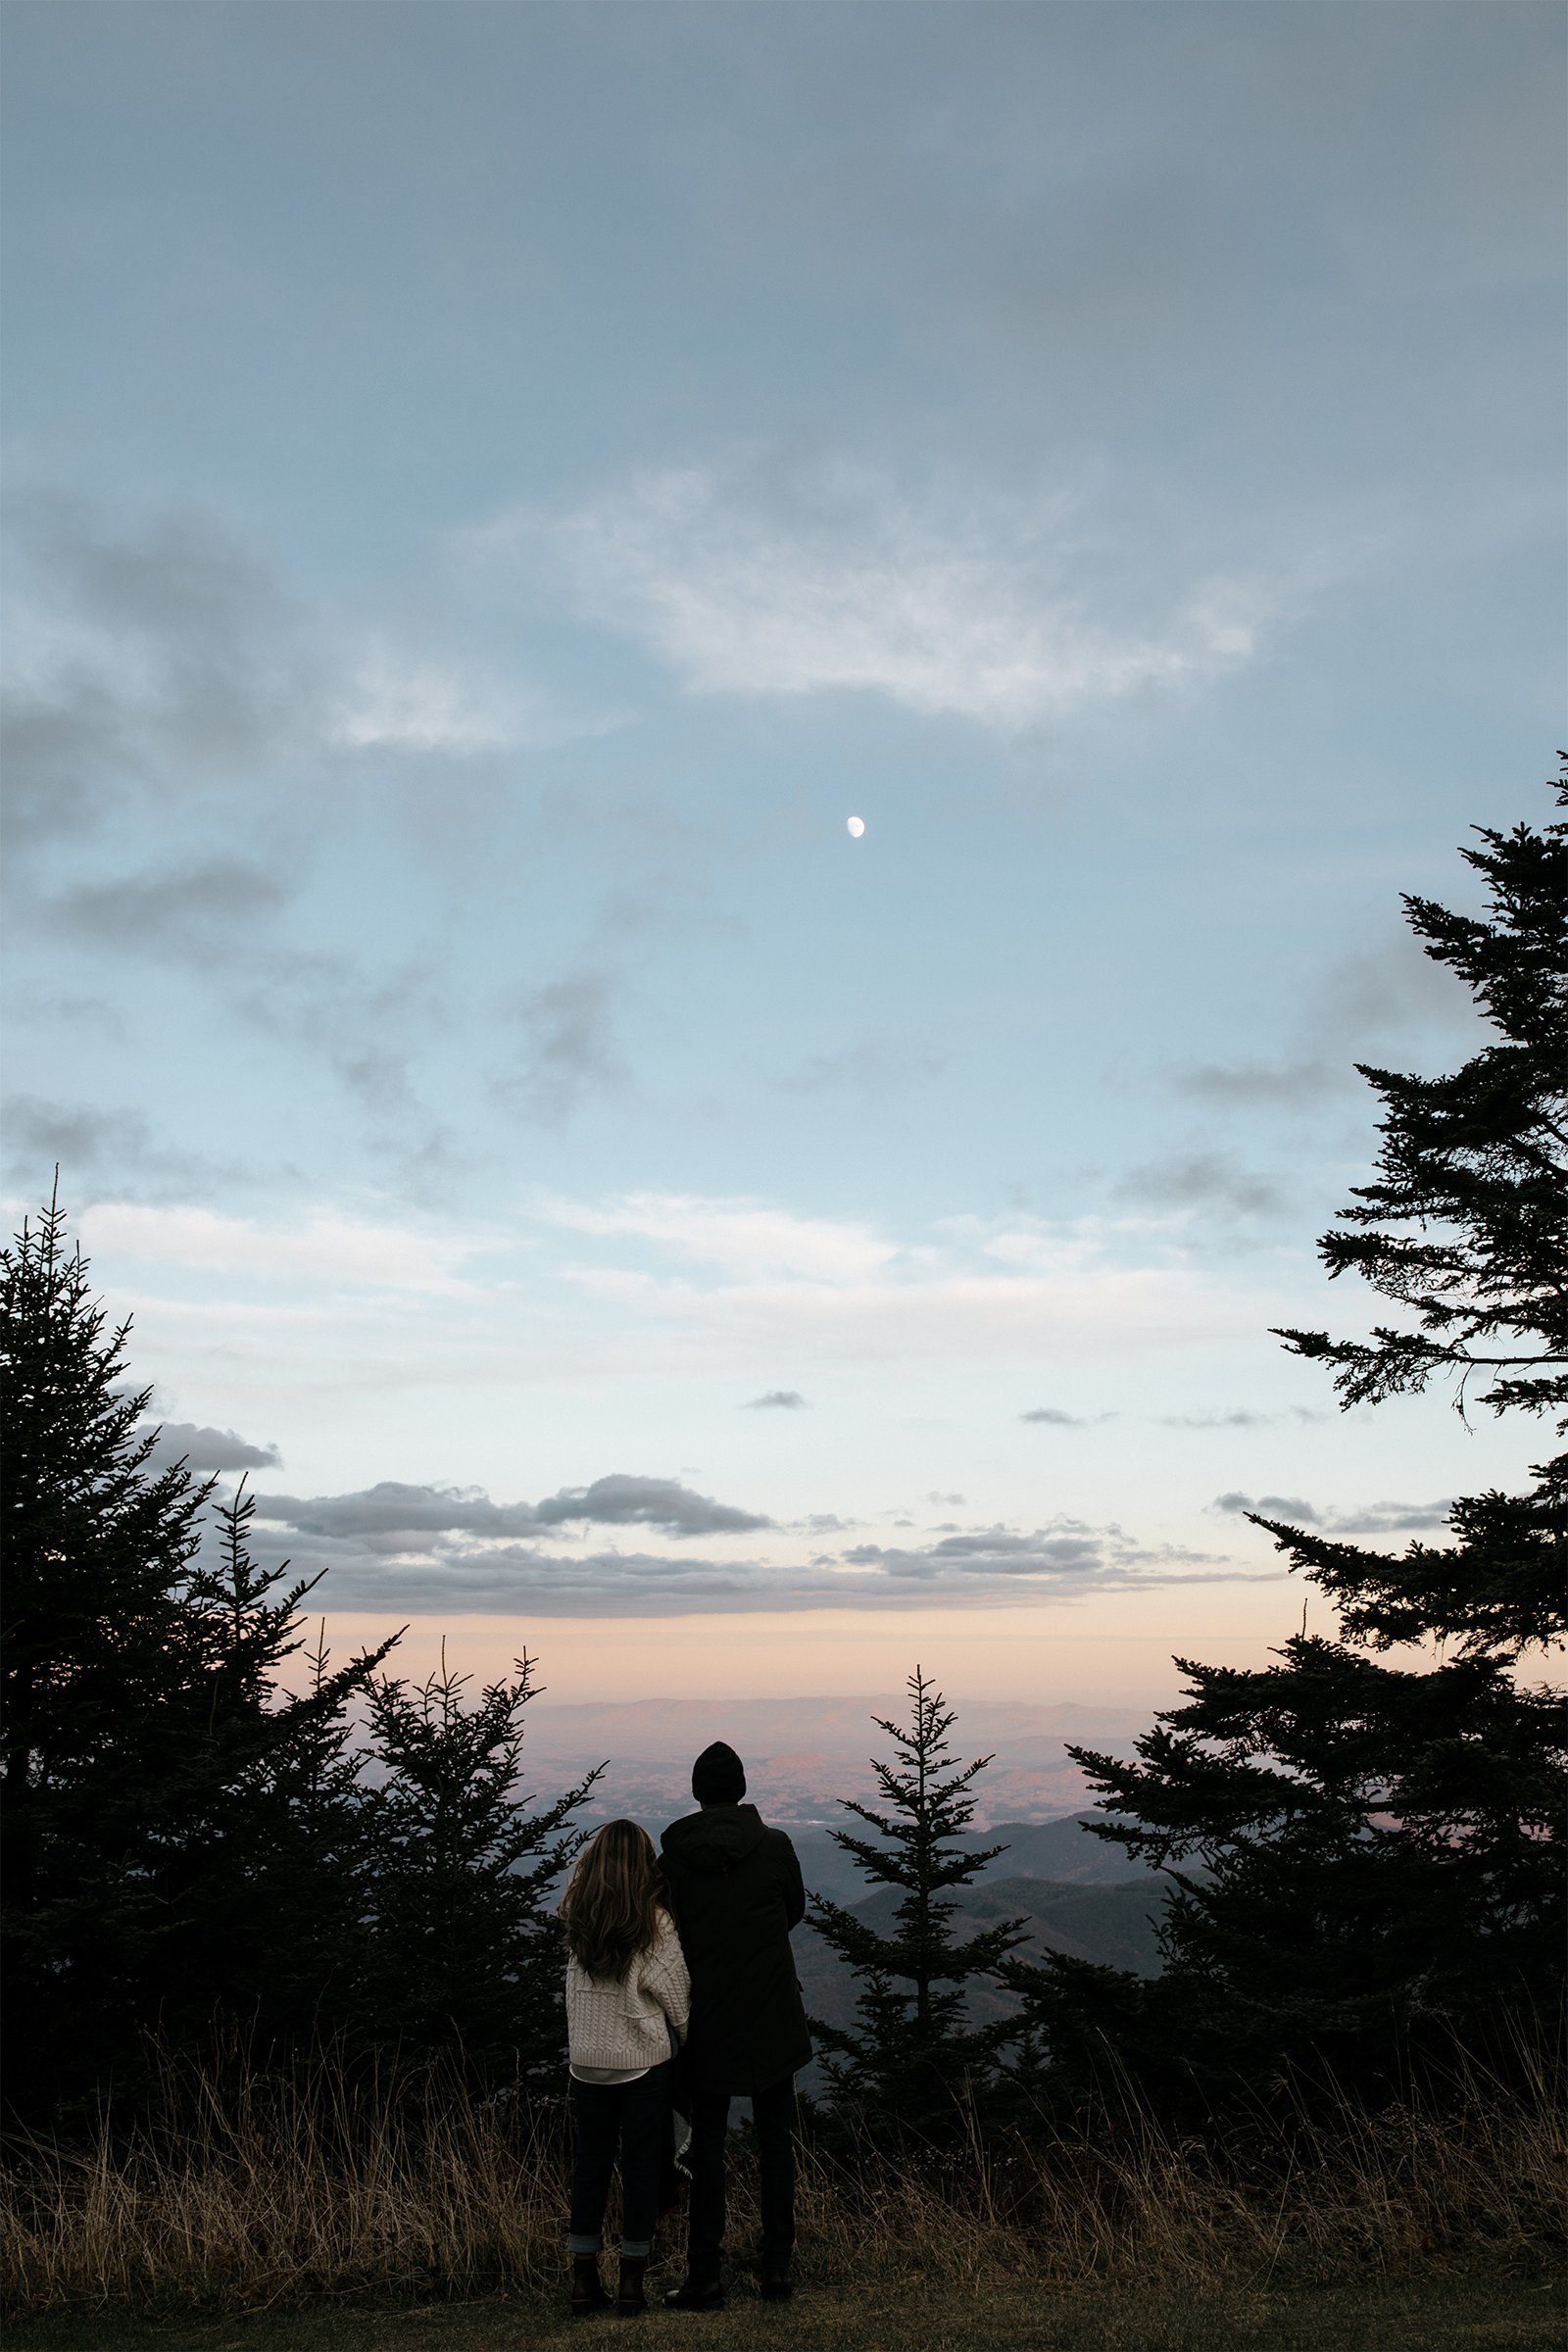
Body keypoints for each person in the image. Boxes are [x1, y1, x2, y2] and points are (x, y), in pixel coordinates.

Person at [659, 1741, 812, 2310]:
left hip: (707, 2016)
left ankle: (706, 2276)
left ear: (698, 1791)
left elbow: (665, 1930)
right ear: (742, 1789)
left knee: (707, 2146)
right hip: (772, 2011)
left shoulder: (672, 1857)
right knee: (776, 2142)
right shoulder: (775, 1847)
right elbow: (793, 1911)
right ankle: (776, 2269)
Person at [562, 1819, 691, 2319]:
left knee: (589, 2167)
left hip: (587, 2062)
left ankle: (583, 2282)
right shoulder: (652, 1922)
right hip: (641, 2062)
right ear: (643, 1865)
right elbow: (675, 1998)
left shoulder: (579, 1918)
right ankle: (632, 2285)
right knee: (640, 2169)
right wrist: (687, 2039)